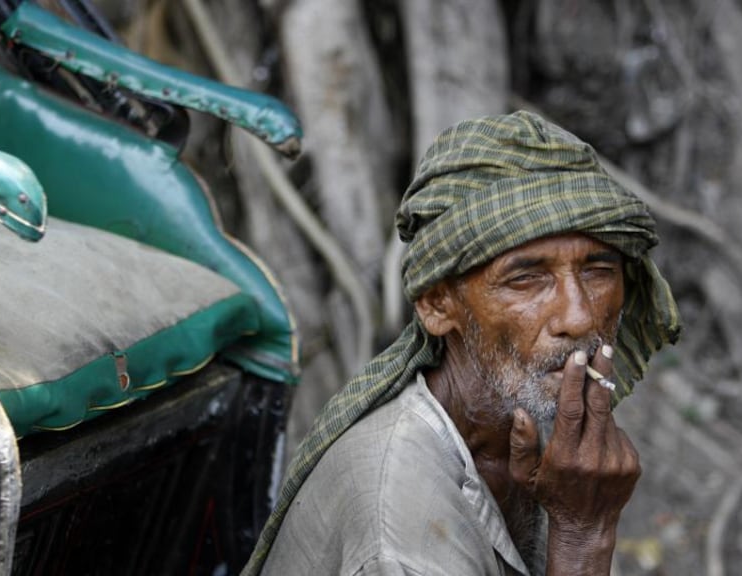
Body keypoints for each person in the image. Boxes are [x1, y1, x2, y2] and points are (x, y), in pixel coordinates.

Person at [242, 111, 682, 575]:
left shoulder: (531, 429)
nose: (579, 316)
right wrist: (582, 535)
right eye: (527, 279)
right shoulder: (398, 523)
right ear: (436, 305)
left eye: (598, 271)